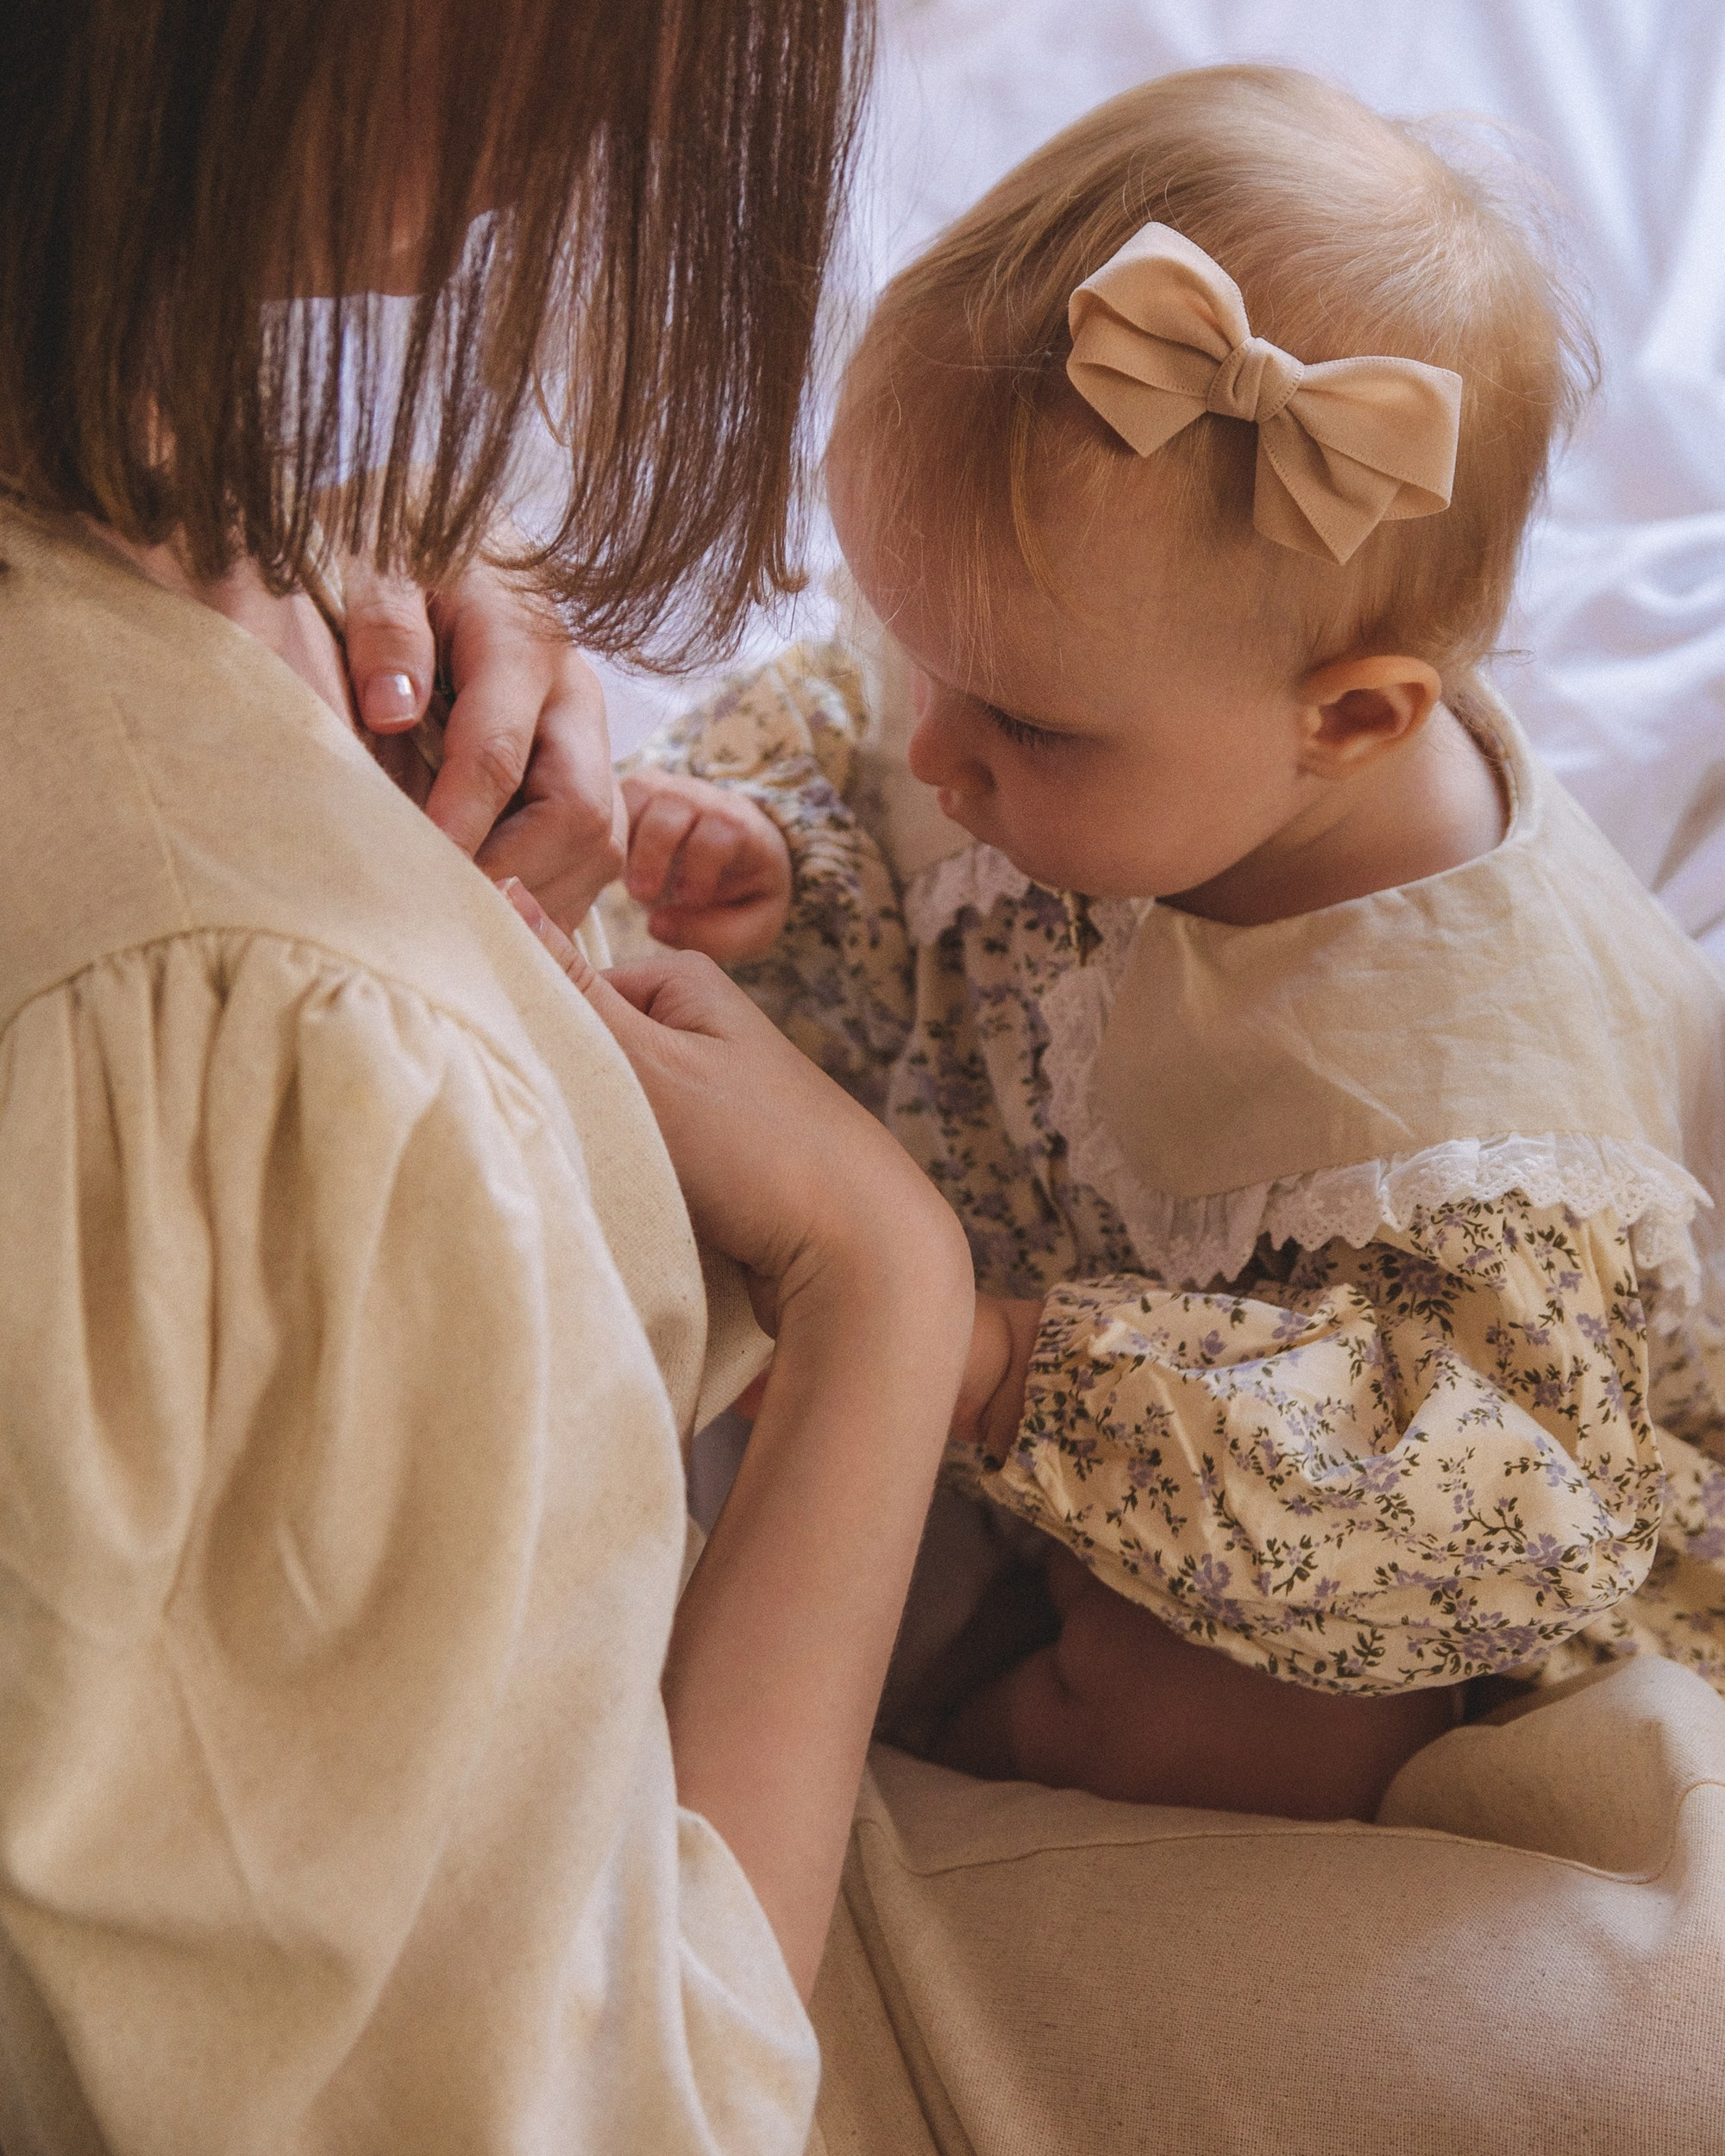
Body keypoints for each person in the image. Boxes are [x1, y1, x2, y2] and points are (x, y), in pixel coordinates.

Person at [0, 3, 990, 2151]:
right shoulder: (265, 1034)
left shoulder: (190, 549)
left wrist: (244, 562)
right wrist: (881, 1290)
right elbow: (620, 2113)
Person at [618, 65, 1725, 1821]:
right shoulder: (1057, 670)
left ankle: (956, 1773)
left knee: (1261, 1731)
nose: (932, 752)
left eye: (1018, 728)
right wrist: (777, 859)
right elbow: (858, 741)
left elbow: (1473, 1515)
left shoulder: (1469, 1104)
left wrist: (996, 1366)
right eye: (923, 651)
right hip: (1014, 1341)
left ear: (1349, 722)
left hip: (1332, 1526)